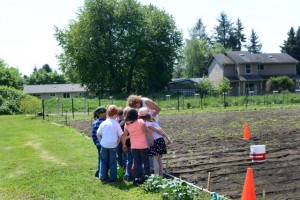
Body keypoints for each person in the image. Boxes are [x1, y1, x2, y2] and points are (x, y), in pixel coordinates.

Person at [122, 108, 154, 185]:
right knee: (146, 162)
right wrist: (152, 139)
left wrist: (124, 144)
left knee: (136, 162)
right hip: (143, 146)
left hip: (134, 147)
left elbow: (124, 135)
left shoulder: (127, 124)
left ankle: (137, 178)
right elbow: (146, 131)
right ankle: (147, 177)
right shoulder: (140, 121)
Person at [138, 107, 171, 176]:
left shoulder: (147, 123)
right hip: (160, 140)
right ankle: (161, 175)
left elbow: (157, 130)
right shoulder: (153, 120)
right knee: (159, 159)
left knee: (155, 159)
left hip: (156, 141)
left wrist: (165, 136)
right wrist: (167, 137)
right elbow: (160, 129)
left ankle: (156, 176)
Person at [96, 105, 123, 184]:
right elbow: (120, 135)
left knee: (103, 161)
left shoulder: (103, 123)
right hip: (113, 145)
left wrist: (101, 141)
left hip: (104, 144)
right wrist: (117, 142)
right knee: (113, 162)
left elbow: (98, 133)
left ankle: (103, 177)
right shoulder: (116, 124)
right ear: (115, 114)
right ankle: (113, 178)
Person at [91, 106, 106, 178]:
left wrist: (96, 142)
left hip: (98, 143)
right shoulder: (104, 122)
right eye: (105, 113)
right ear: (102, 114)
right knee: (104, 159)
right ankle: (101, 172)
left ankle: (99, 170)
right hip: (104, 143)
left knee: (100, 158)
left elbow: (93, 134)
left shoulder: (95, 122)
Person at [120, 107, 134, 181]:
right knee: (130, 159)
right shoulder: (127, 123)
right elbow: (123, 135)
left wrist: (123, 144)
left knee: (126, 159)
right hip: (129, 144)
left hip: (125, 144)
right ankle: (128, 174)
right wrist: (124, 144)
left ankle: (125, 172)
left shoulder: (121, 123)